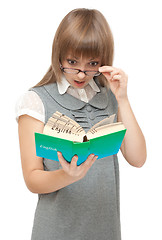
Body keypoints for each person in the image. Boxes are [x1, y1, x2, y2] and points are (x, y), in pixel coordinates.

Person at [16, 8, 147, 240]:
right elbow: (32, 179)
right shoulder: (36, 101)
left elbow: (137, 159)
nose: (81, 73)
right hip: (56, 232)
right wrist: (69, 175)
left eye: (92, 63)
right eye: (72, 61)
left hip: (106, 232)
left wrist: (123, 99)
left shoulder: (109, 97)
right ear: (59, 55)